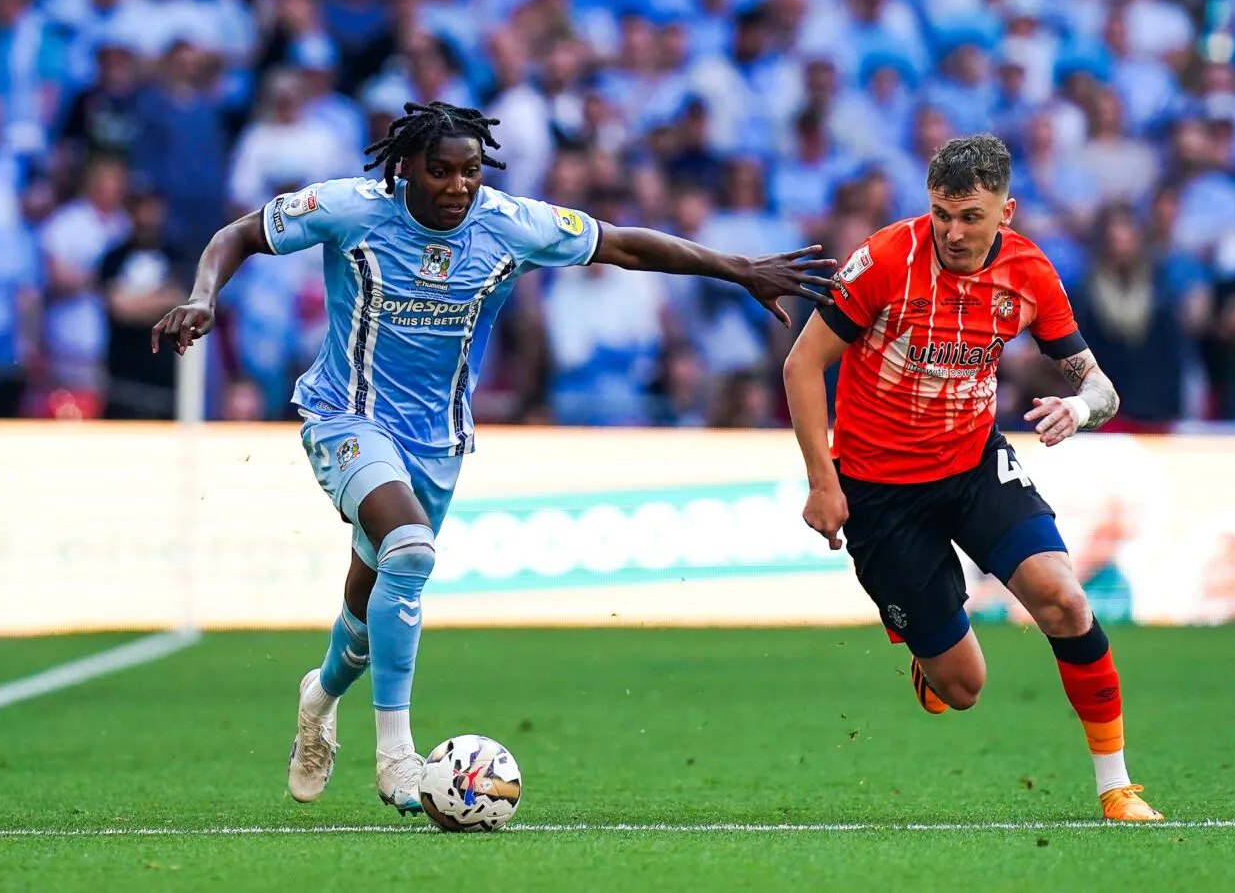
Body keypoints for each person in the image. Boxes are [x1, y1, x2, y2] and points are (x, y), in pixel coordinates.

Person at [151, 101, 834, 815]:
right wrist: (203, 296)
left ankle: (319, 698)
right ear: (404, 169)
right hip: (345, 416)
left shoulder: (512, 224)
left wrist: (738, 269)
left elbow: (625, 246)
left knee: (372, 598)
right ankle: (396, 757)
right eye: (440, 171)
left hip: (439, 439)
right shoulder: (351, 208)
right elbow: (239, 234)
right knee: (410, 549)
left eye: (470, 171)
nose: (457, 186)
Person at [782, 133, 1163, 822]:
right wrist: (822, 481)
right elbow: (802, 364)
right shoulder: (885, 260)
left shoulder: (1029, 273)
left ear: (1004, 213)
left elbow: (1100, 387)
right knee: (963, 688)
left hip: (973, 463)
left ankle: (1117, 787)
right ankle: (932, 657)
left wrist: (1078, 408)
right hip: (879, 489)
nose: (953, 232)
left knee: (1065, 601)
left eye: (970, 217)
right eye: (941, 214)